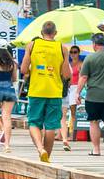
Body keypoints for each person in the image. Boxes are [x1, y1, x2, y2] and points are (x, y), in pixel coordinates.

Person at [20, 20, 69, 163]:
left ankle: (41, 149)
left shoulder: (32, 45)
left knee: (34, 123)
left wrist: (34, 70)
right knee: (51, 126)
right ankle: (46, 158)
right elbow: (66, 74)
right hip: (54, 92)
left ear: (41, 33)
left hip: (36, 91)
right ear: (55, 33)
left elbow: (23, 70)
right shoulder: (62, 48)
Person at [59, 44, 84, 152]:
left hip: (76, 87)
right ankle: (62, 134)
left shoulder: (81, 64)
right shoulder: (68, 64)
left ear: (78, 53)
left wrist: (80, 90)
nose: (73, 54)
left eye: (75, 52)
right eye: (72, 52)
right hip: (68, 88)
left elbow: (83, 77)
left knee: (72, 113)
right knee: (63, 113)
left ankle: (70, 133)